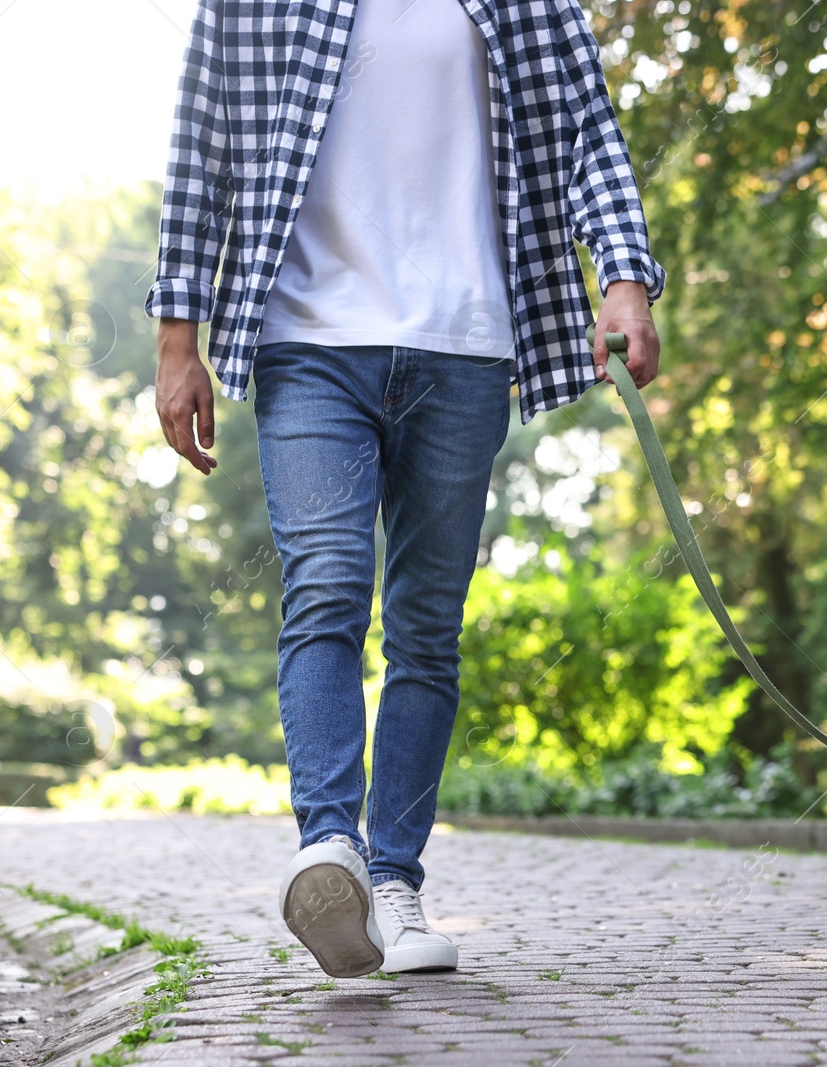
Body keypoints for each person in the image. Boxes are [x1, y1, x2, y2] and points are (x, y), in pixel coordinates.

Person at [146, 0, 664, 978]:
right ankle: (329, 850)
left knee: (427, 622)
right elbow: (199, 152)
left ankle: (395, 881)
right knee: (329, 581)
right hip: (309, 340)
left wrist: (624, 279)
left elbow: (589, 131)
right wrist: (179, 341)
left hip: (464, 344)